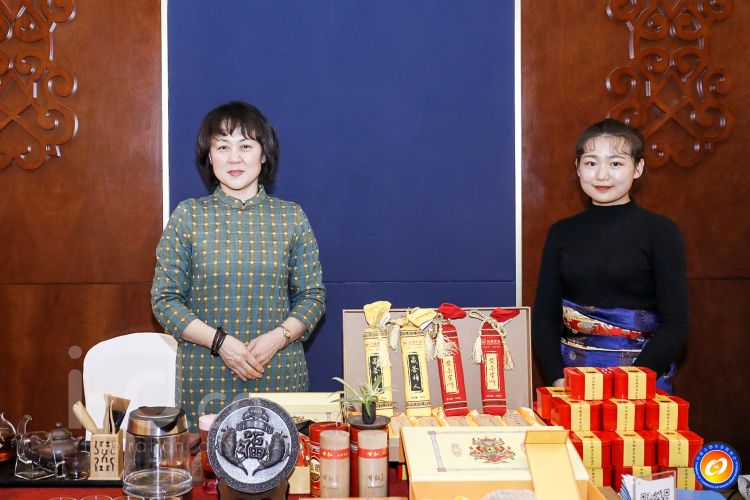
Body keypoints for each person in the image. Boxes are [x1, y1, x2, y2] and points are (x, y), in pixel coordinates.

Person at [151, 101, 326, 429]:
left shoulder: (291, 217)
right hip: (206, 376)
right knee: (207, 461)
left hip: (279, 372)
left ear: (264, 154)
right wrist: (221, 343)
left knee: (281, 459)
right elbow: (165, 301)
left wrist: (277, 338)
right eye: (222, 146)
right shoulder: (188, 216)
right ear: (209, 156)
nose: (234, 158)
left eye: (245, 146)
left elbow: (313, 297)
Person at [531, 118, 688, 393]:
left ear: (638, 168)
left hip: (641, 382)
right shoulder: (561, 232)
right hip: (573, 382)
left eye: (615, 163)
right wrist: (557, 379)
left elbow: (676, 325)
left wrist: (630, 384)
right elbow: (545, 315)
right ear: (578, 167)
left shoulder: (662, 232)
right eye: (591, 163)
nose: (602, 175)